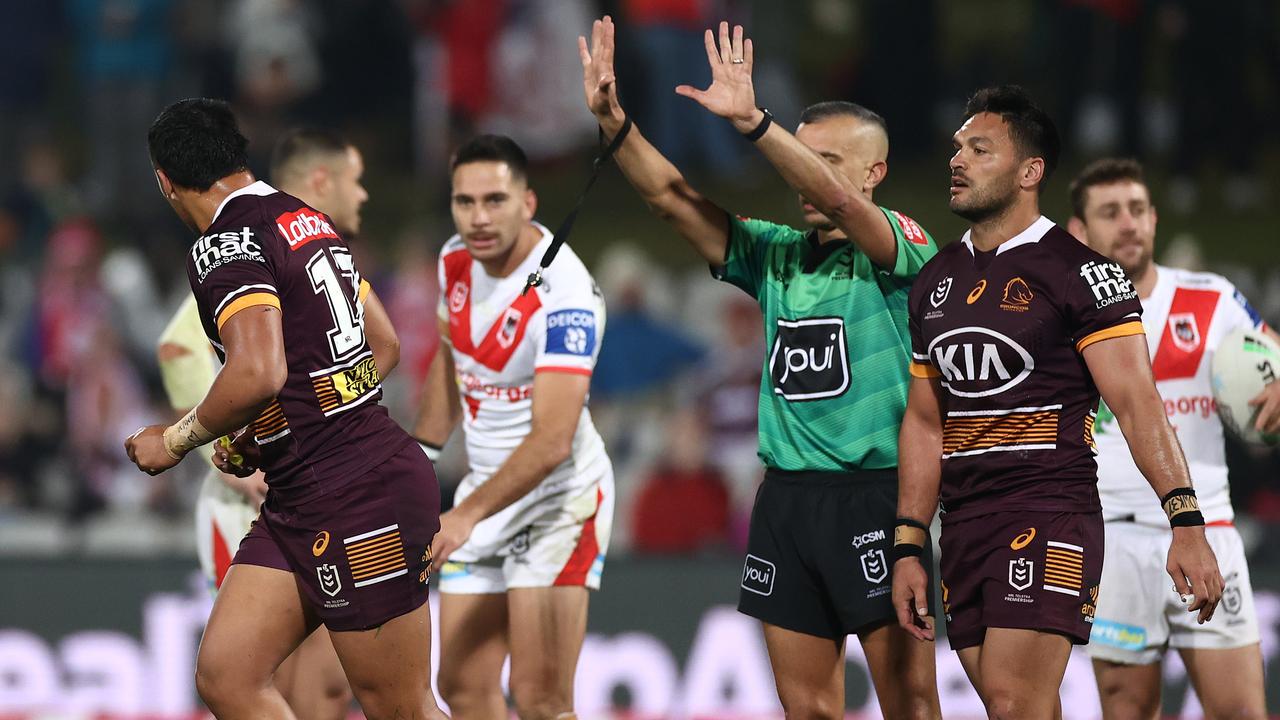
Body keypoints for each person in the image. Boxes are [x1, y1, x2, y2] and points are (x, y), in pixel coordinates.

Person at [580, 16, 941, 719]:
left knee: (912, 702)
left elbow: (839, 202)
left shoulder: (904, 248)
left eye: (828, 161)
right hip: (785, 504)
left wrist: (753, 126)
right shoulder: (774, 253)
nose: (803, 177)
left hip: (877, 497)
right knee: (805, 708)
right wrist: (613, 122)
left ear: (876, 172)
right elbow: (669, 199)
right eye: (799, 158)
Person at [892, 86, 1224, 720]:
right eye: (957, 147)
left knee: (1016, 701)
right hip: (963, 525)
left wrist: (1185, 521)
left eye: (979, 149)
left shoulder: (1082, 272)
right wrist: (911, 541)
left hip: (1048, 510)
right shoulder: (935, 281)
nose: (956, 160)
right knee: (1010, 706)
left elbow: (1137, 403)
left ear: (1030, 172)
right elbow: (925, 420)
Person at [125, 98, 446, 720]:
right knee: (228, 675)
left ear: (164, 182)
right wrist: (273, 427)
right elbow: (383, 346)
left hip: (357, 495)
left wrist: (175, 439)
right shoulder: (308, 219)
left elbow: (259, 369)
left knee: (401, 707)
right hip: (307, 494)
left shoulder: (223, 244)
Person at [156, 126, 377, 719]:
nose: (365, 195)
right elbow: (181, 346)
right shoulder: (260, 243)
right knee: (268, 673)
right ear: (320, 181)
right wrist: (218, 450)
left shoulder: (283, 245)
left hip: (315, 484)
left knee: (316, 682)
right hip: (258, 499)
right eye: (356, 180)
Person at [1067, 157, 1279, 720]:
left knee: (1241, 712)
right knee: (1128, 709)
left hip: (1208, 529)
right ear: (1079, 233)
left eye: (1137, 209)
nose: (1129, 223)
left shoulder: (1210, 297)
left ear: (1155, 218)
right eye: (1110, 213)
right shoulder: (1060, 317)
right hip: (1112, 540)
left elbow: (1271, 355)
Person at [410, 134, 613, 720]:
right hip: (485, 497)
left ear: (528, 202)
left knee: (540, 697)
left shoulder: (567, 294)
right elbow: (452, 363)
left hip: (560, 504)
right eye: (464, 201)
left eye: (494, 200)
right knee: (462, 685)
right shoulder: (452, 259)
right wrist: (416, 466)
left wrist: (464, 515)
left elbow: (552, 441)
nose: (477, 218)